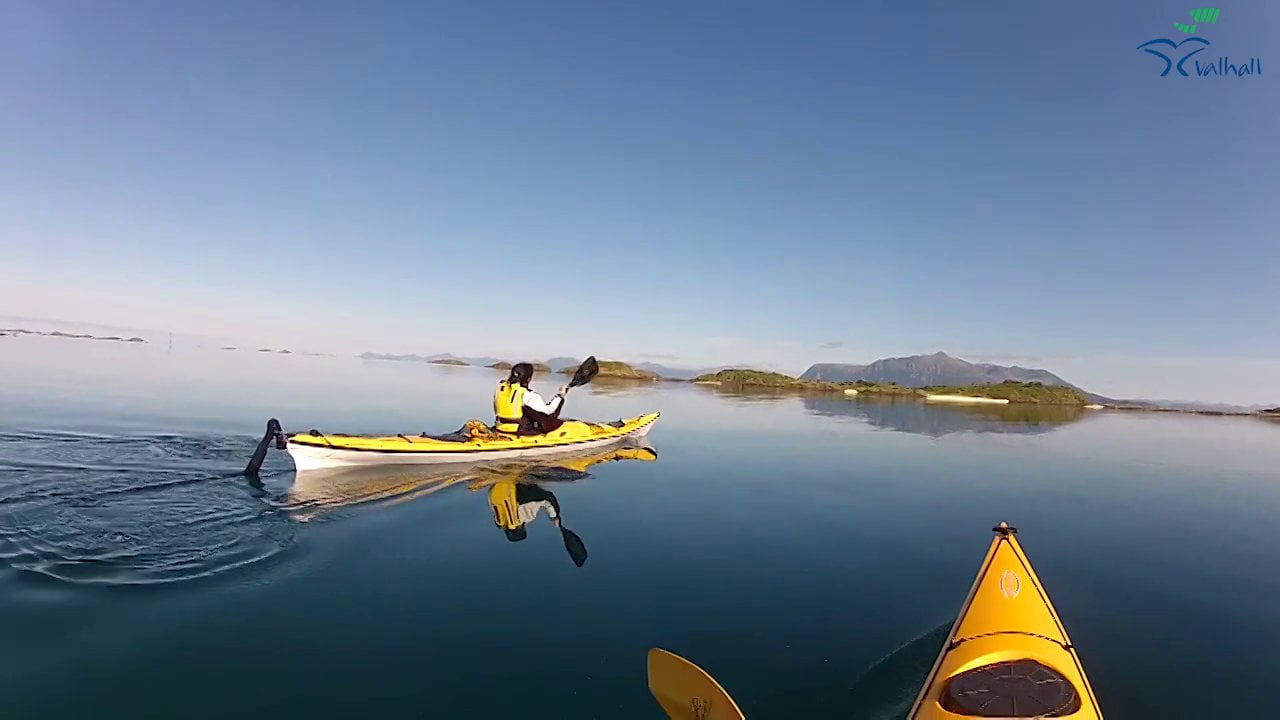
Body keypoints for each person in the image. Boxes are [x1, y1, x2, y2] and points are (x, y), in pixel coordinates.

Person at [493, 362, 570, 435]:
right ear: (528, 379)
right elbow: (548, 411)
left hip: (500, 427)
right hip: (519, 430)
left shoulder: (500, 389)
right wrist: (560, 396)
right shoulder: (528, 395)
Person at [487, 479, 562, 542]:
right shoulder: (499, 521)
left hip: (517, 491)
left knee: (546, 495)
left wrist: (554, 517)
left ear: (523, 529)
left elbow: (546, 500)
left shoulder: (527, 517)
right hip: (496, 487)